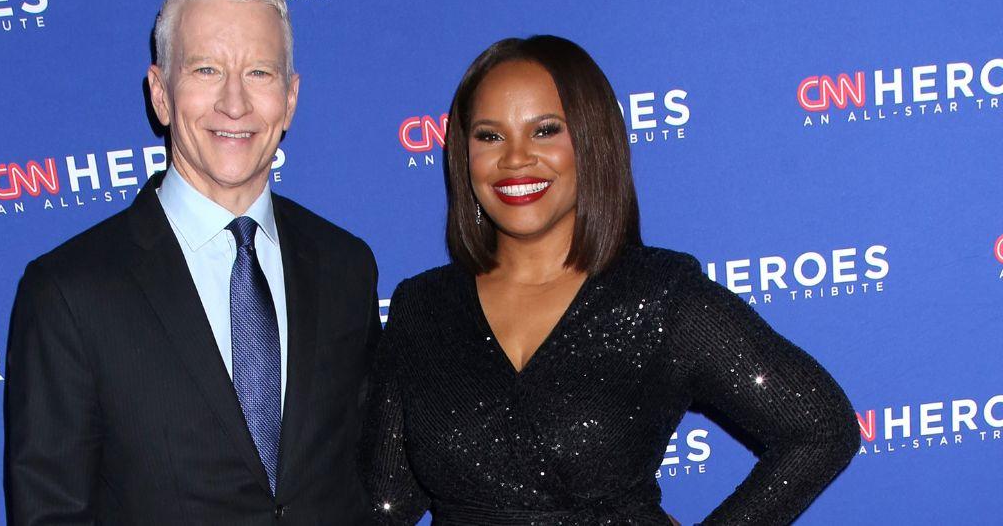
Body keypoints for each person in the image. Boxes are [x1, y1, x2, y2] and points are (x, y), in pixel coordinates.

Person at [360, 36, 861, 525]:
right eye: (489, 136)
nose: (515, 159)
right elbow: (386, 503)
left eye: (545, 130)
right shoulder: (421, 309)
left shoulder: (662, 297)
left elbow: (821, 429)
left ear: (591, 141)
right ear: (462, 154)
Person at [4, 0, 380, 525]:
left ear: (291, 98)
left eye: (259, 72)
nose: (235, 102)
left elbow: (361, 477)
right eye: (206, 69)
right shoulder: (69, 292)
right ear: (160, 93)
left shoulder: (345, 265)